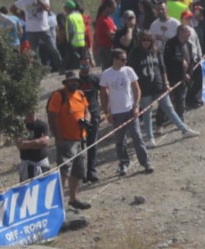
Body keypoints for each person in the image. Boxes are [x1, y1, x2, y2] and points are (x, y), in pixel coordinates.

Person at [132, 31, 199, 146]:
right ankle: (150, 138)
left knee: (169, 108)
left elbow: (162, 68)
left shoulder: (156, 50)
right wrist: (135, 90)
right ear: (140, 40)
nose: (146, 42)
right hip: (144, 88)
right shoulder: (135, 53)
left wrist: (166, 82)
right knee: (147, 113)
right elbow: (132, 73)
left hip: (158, 86)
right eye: (144, 40)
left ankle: (184, 129)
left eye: (149, 40)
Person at [99, 48, 152, 175]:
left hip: (130, 110)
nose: (125, 62)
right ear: (115, 59)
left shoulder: (129, 71)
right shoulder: (106, 74)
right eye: (122, 59)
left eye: (125, 59)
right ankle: (123, 163)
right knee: (120, 140)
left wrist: (136, 106)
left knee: (137, 137)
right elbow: (103, 95)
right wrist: (107, 112)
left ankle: (145, 162)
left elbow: (137, 90)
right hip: (116, 113)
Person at [45, 72, 93, 210]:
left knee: (78, 171)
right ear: (66, 82)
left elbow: (87, 111)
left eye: (76, 81)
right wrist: (58, 138)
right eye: (71, 81)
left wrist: (86, 120)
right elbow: (51, 117)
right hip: (66, 140)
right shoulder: (58, 95)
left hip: (80, 139)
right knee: (64, 171)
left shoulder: (81, 94)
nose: (74, 83)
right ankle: (57, 203)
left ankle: (73, 199)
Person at [15, 0, 61, 72]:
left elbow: (47, 8)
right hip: (31, 31)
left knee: (53, 49)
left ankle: (61, 67)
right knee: (34, 53)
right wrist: (22, 17)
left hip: (44, 29)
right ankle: (38, 72)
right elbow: (12, 8)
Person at [164, 22, 201, 119]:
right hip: (172, 76)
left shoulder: (189, 44)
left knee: (181, 98)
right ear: (180, 32)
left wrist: (189, 73)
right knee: (168, 99)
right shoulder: (171, 43)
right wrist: (181, 62)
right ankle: (162, 119)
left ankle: (181, 118)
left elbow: (191, 61)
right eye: (187, 32)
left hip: (184, 78)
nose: (189, 34)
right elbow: (168, 59)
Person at [75, 56, 102, 184]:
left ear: (90, 65)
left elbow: (104, 93)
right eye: (82, 66)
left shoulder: (96, 78)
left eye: (86, 65)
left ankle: (91, 171)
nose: (84, 68)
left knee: (93, 144)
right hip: (79, 117)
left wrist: (104, 110)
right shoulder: (75, 81)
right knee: (80, 146)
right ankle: (82, 173)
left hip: (94, 113)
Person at [14, 110, 50, 182]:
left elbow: (44, 143)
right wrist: (37, 142)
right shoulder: (20, 126)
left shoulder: (42, 125)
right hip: (27, 163)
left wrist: (25, 143)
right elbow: (19, 145)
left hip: (41, 162)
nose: (31, 114)